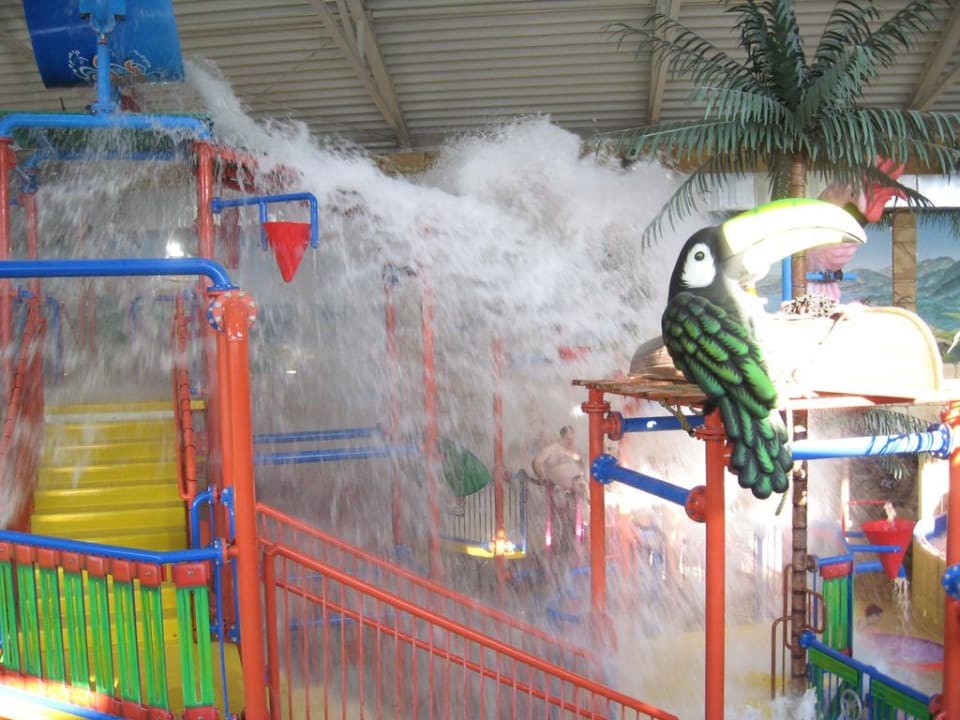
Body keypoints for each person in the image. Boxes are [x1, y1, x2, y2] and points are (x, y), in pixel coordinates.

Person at [532, 426, 588, 582]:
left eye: (572, 438)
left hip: (575, 494)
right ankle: (559, 560)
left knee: (575, 525)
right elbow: (536, 462)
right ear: (562, 437)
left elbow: (581, 464)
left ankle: (576, 552)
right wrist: (542, 477)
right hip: (558, 491)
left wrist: (582, 474)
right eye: (568, 439)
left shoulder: (573, 452)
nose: (571, 442)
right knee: (561, 525)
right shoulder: (553, 449)